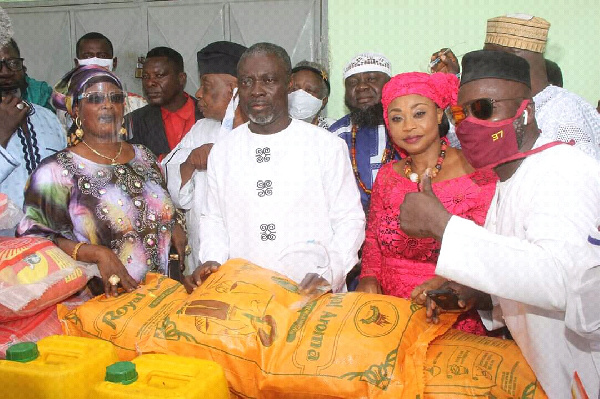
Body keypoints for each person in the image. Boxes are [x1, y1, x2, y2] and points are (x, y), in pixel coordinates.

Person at [401, 50, 600, 398]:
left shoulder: (563, 171)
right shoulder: (508, 180)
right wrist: (477, 295)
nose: (468, 124)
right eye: (460, 113)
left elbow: (561, 284)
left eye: (484, 108)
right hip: (546, 371)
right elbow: (525, 266)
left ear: (526, 112)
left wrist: (443, 227)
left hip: (584, 370)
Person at [186, 43, 365, 293]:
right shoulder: (224, 150)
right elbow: (214, 218)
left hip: (311, 295)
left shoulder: (326, 146)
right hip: (244, 294)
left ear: (289, 84)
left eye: (268, 80)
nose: (256, 91)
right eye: (247, 82)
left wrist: (331, 273)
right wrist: (213, 260)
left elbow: (349, 220)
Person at [17, 65, 186, 296]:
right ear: (76, 109)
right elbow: (34, 242)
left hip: (162, 300)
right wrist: (95, 253)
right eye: (95, 98)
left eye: (115, 97)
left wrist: (172, 224)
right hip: (102, 307)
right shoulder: (56, 171)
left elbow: (157, 208)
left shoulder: (144, 156)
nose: (107, 104)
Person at [355, 72, 496, 335]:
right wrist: (369, 278)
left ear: (440, 114)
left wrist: (450, 285)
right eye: (397, 118)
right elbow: (374, 239)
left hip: (453, 315)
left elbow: (489, 252)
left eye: (419, 114)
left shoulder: (478, 174)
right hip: (389, 316)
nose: (408, 126)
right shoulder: (387, 176)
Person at [433, 14, 600, 159]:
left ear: (512, 58)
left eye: (489, 56)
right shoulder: (500, 102)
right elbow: (460, 138)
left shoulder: (564, 109)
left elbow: (579, 177)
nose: (485, 65)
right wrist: (452, 82)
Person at [162, 40, 247, 272]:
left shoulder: (264, 133)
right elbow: (167, 179)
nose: (198, 93)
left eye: (206, 86)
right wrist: (190, 162)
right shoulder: (201, 129)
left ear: (235, 90)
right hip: (202, 261)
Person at [0, 38, 66, 235]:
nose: (5, 72)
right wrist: (3, 132)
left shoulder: (47, 117)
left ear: (23, 68)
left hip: (52, 243)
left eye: (12, 63)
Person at [329, 52, 395, 213]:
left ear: (389, 84)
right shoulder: (335, 136)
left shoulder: (411, 128)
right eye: (352, 82)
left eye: (371, 79)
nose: (361, 87)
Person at [127, 46, 202, 159]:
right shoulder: (134, 122)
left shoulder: (206, 115)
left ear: (181, 78)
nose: (150, 83)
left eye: (159, 76)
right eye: (145, 77)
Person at [289, 60, 334, 129]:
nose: (300, 94)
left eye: (309, 90)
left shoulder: (335, 130)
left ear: (324, 101)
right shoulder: (272, 130)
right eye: (294, 89)